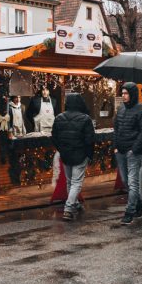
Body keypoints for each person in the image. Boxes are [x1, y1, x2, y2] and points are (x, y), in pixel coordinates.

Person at [51, 93, 96, 221]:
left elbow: (54, 137)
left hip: (65, 154)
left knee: (70, 181)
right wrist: (89, 155)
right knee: (76, 182)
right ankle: (69, 208)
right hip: (80, 154)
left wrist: (61, 149)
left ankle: (74, 203)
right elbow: (90, 139)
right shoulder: (85, 119)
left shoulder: (59, 117)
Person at [113, 82, 142, 225]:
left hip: (134, 152)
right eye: (122, 93)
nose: (123, 96)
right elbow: (116, 128)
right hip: (121, 151)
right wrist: (116, 147)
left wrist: (134, 149)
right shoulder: (121, 109)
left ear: (133, 94)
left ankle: (129, 211)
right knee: (125, 182)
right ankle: (140, 204)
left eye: (126, 93)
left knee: (133, 182)